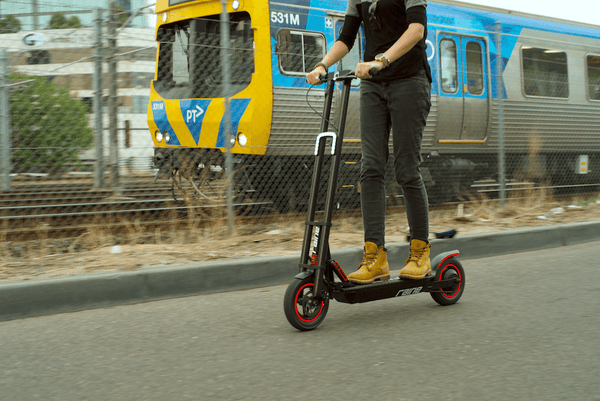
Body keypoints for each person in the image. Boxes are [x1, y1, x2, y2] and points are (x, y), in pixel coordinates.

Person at [306, 0, 432, 284]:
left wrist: (382, 60)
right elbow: (346, 38)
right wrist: (322, 65)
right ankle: (375, 257)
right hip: (373, 86)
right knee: (370, 168)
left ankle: (420, 251)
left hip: (409, 81)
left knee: (406, 170)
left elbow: (416, 29)